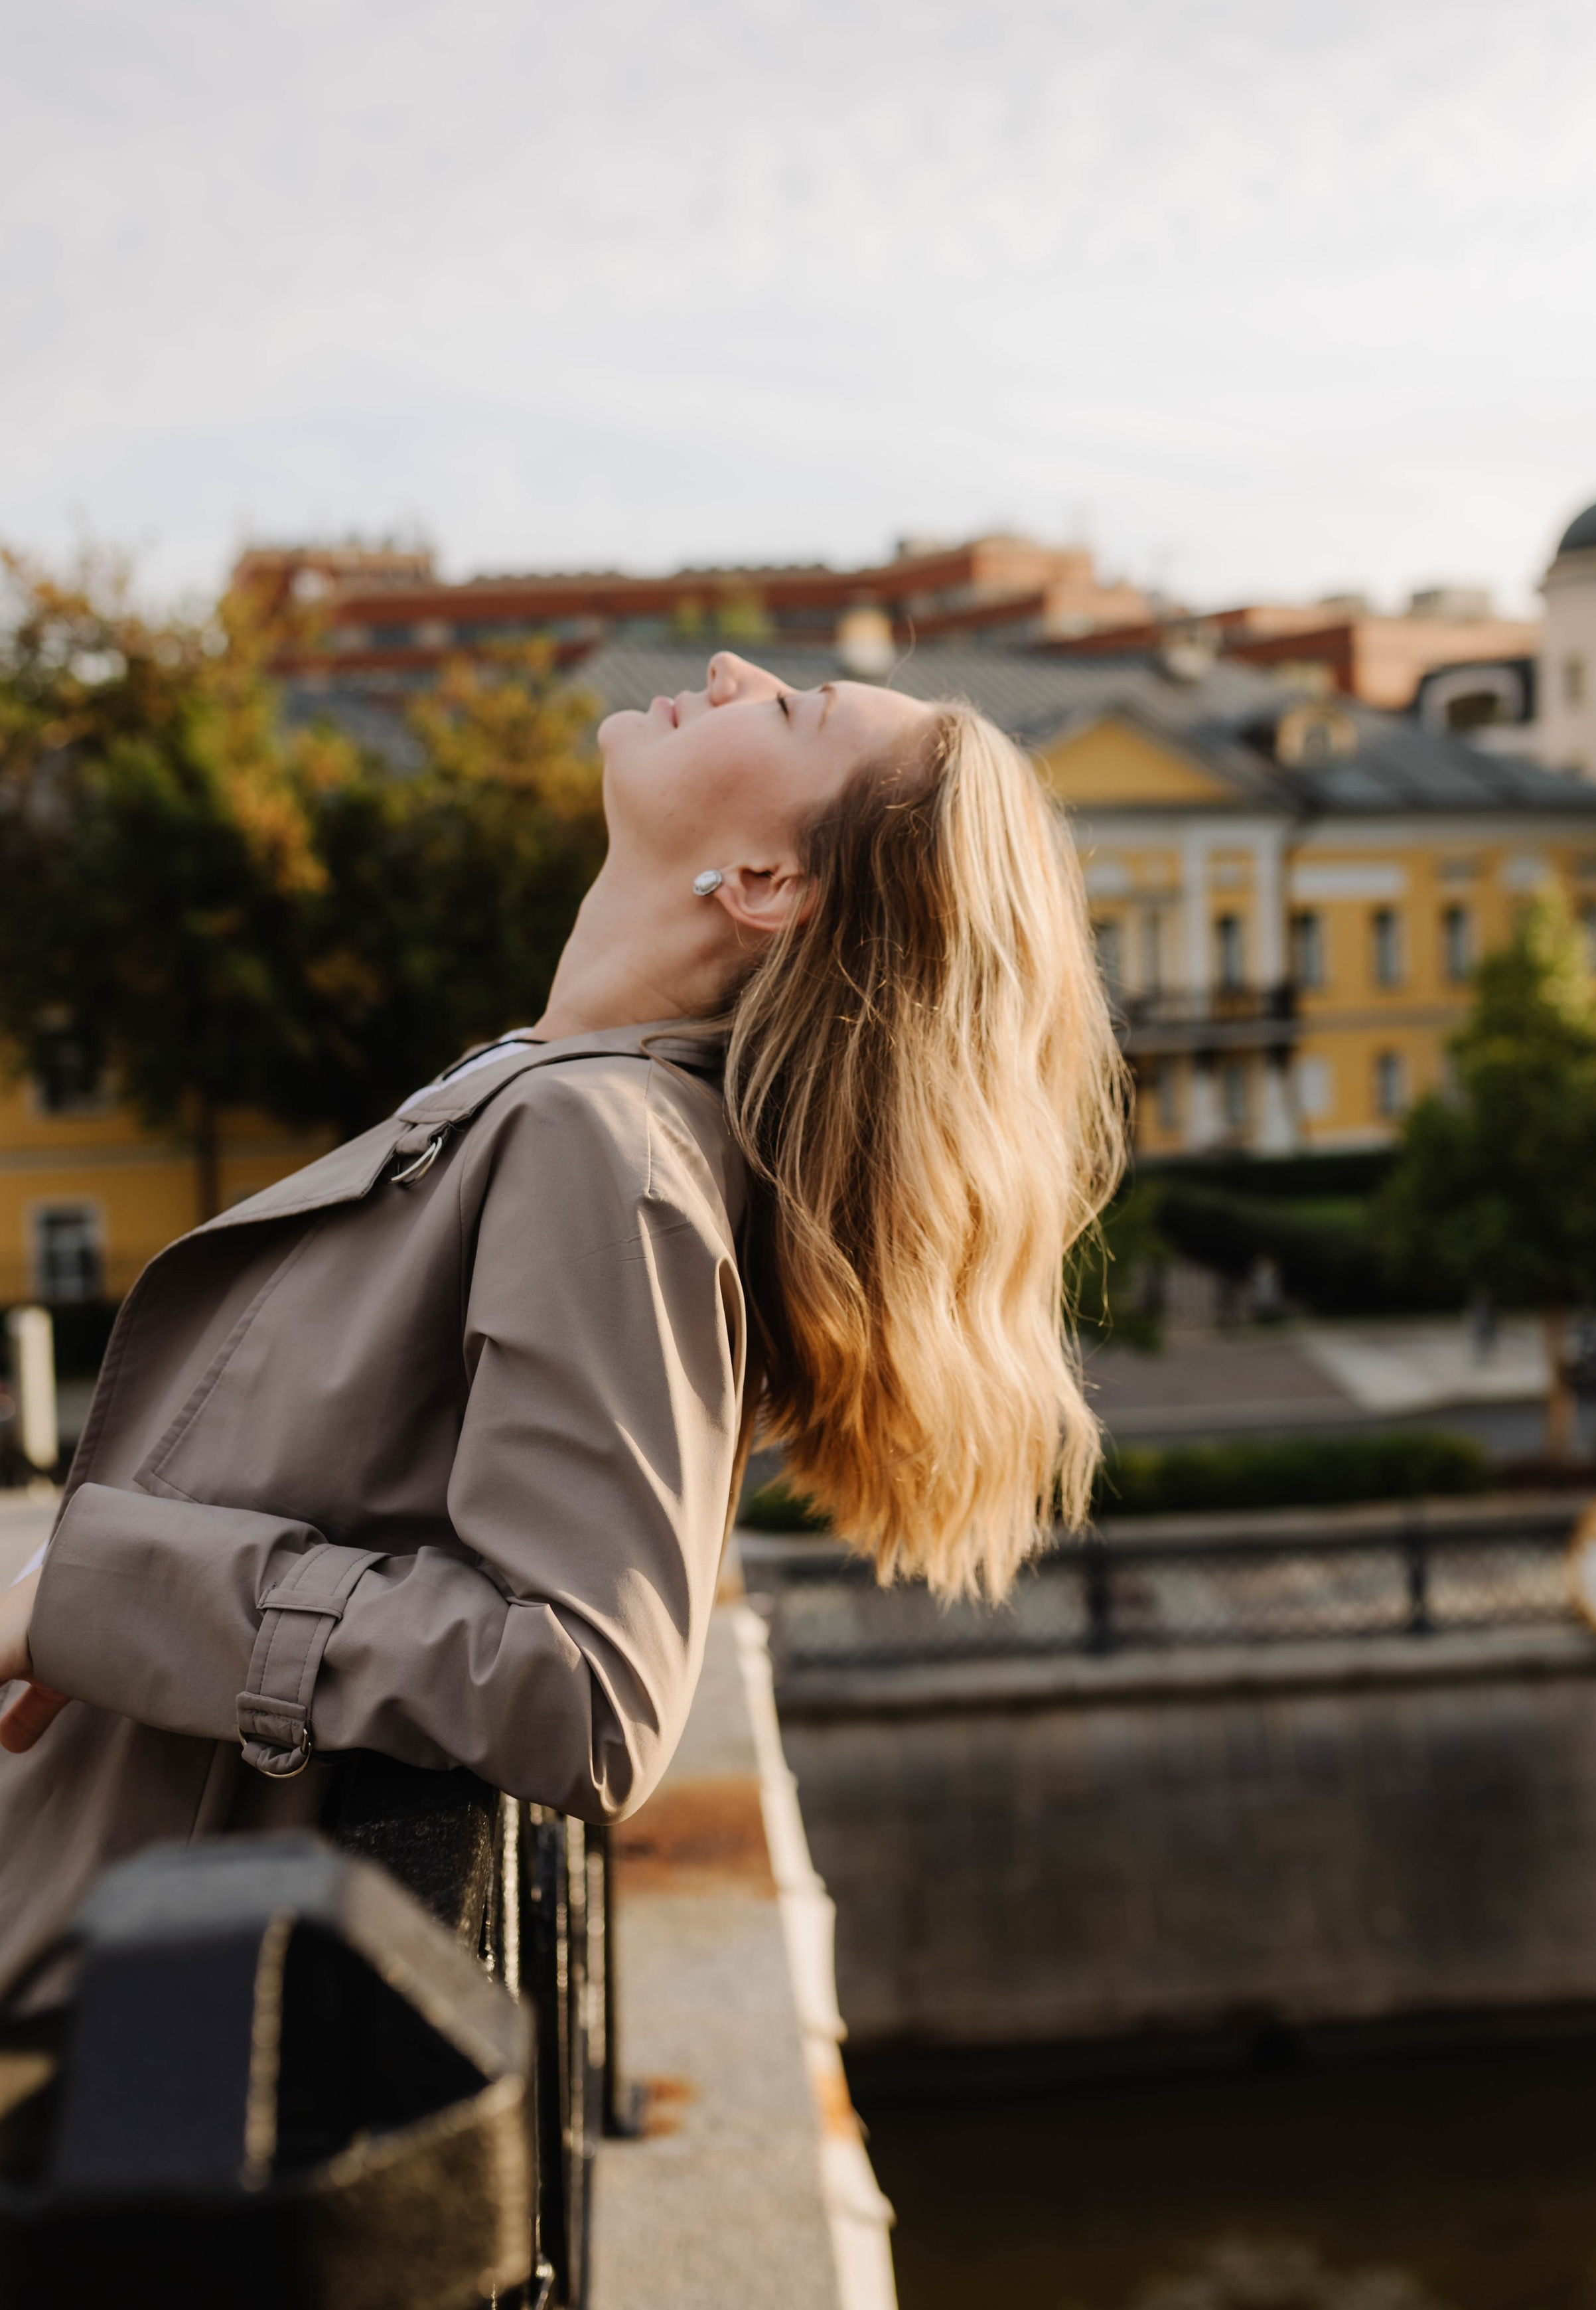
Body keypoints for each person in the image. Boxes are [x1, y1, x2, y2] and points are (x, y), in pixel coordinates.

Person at [0, 653, 1123, 1985]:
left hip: (113, 1978)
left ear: (766, 882)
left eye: (786, 708)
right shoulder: (558, 1097)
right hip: (123, 1926)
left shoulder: (602, 1145)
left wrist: (96, 1594)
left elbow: (585, 1692)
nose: (726, 668)